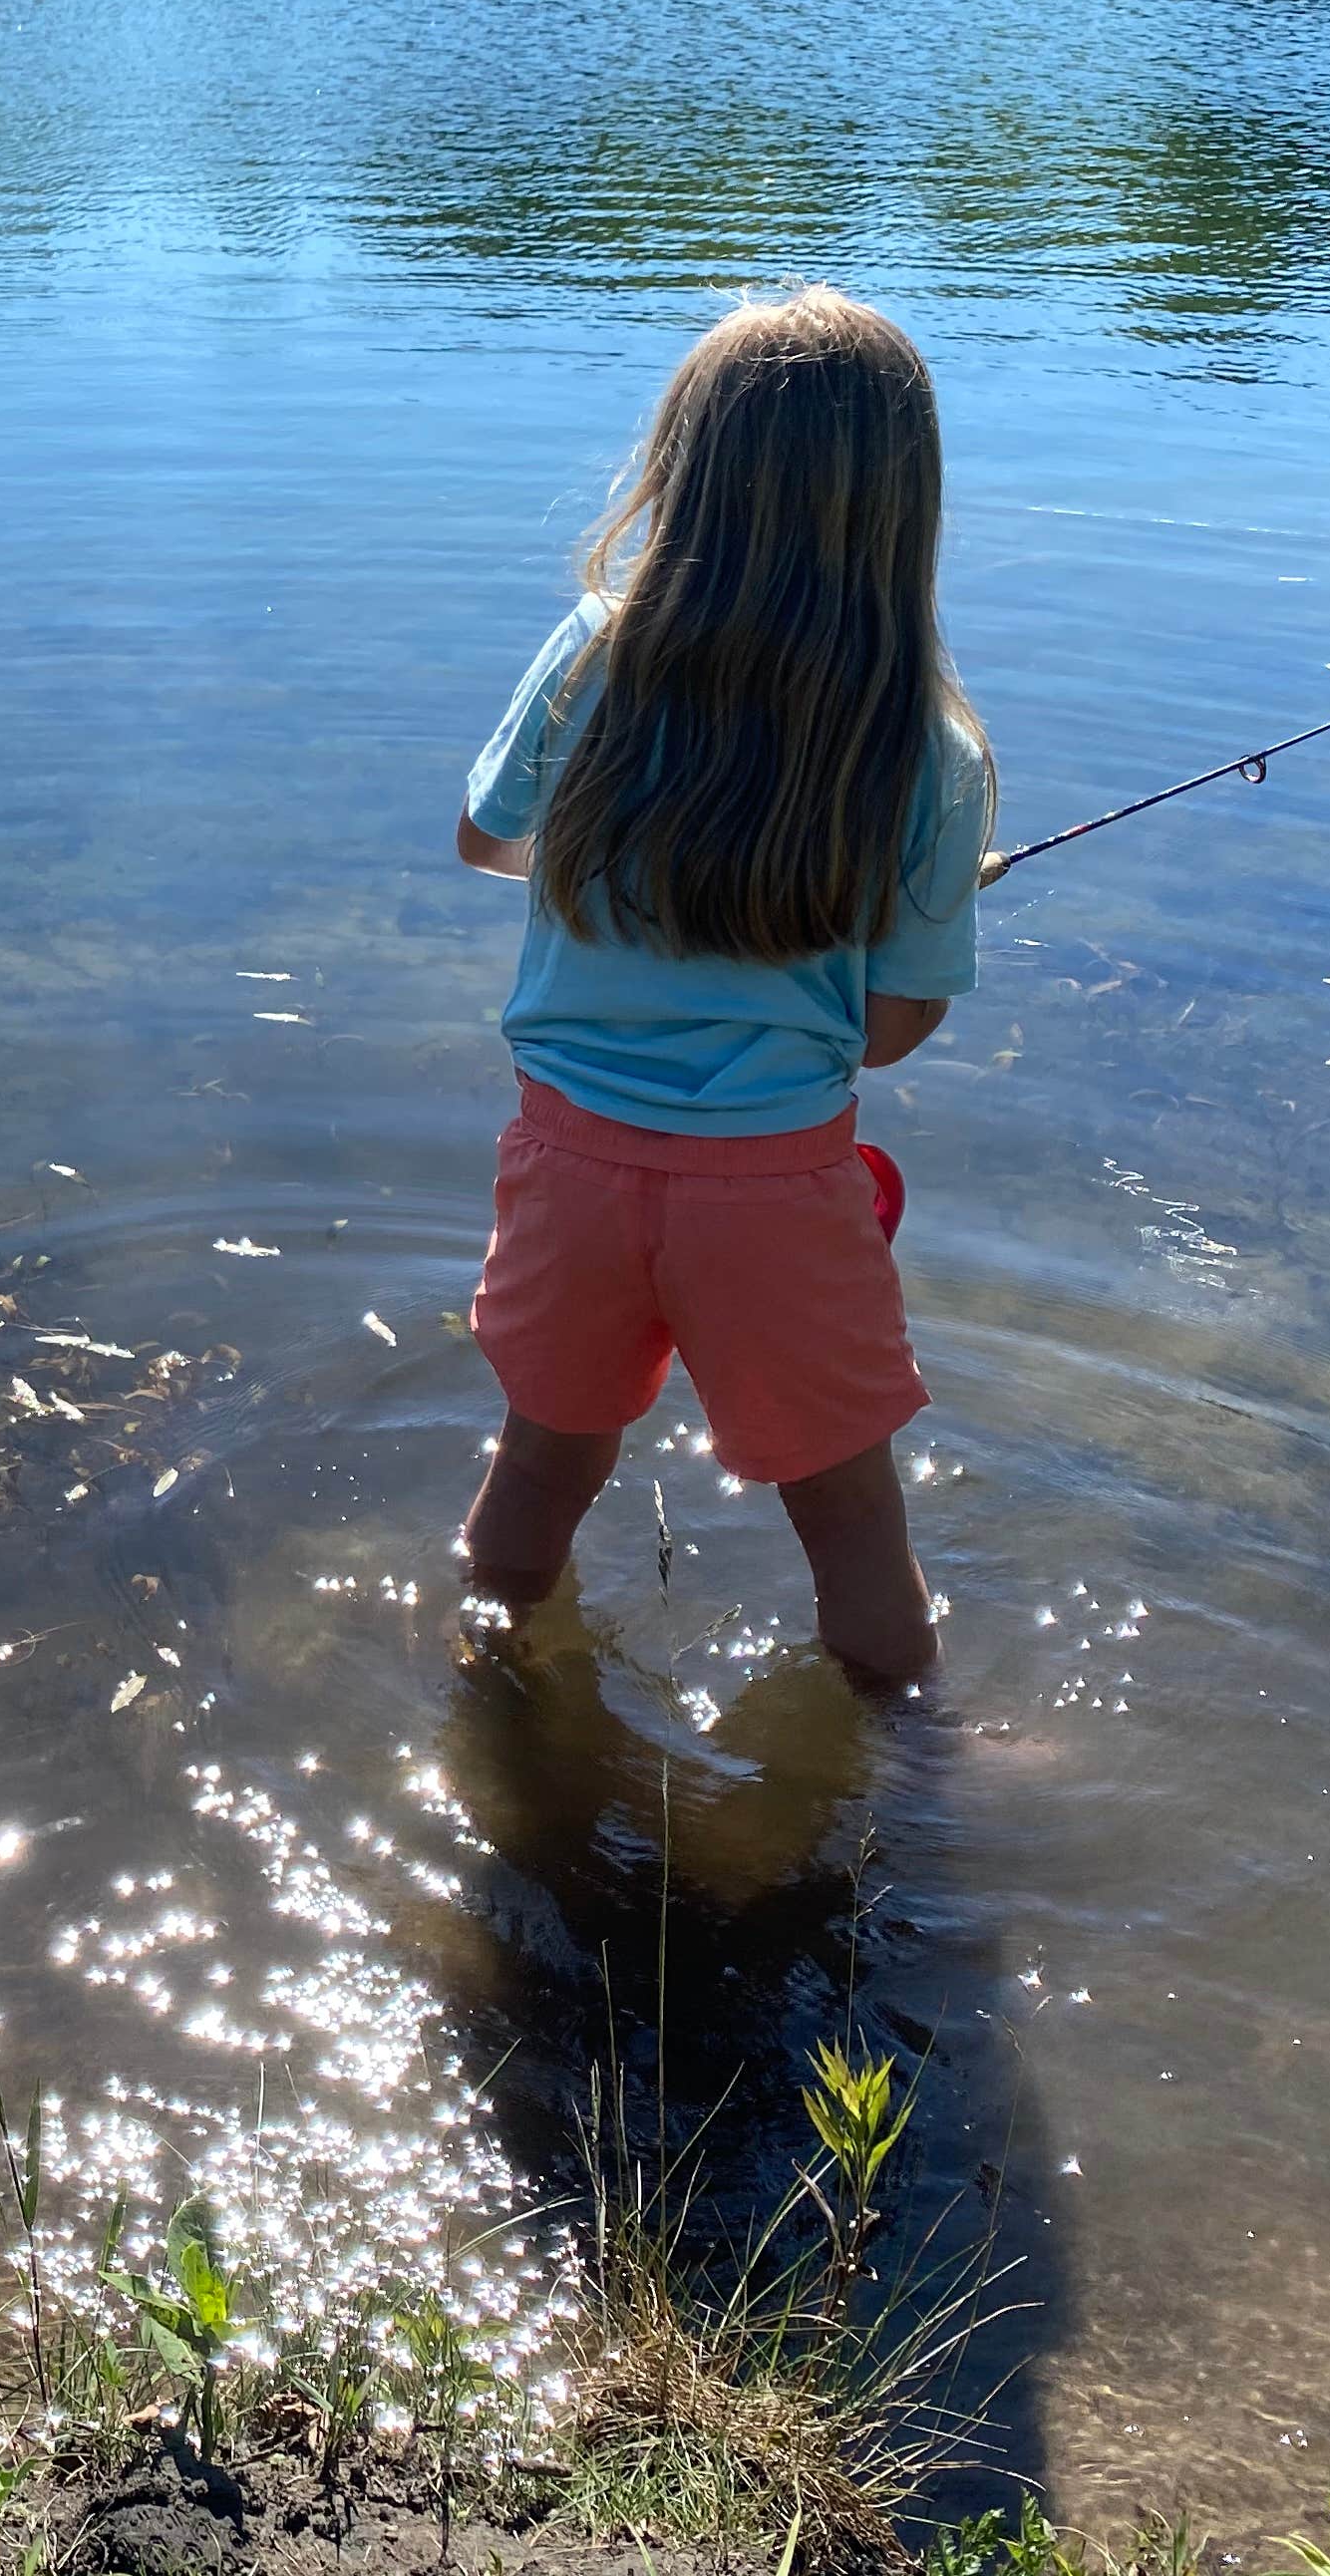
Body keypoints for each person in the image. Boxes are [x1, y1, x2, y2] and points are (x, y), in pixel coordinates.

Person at [451, 286, 988, 1689]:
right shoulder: (927, 751)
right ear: (901, 507)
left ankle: (491, 1709)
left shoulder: (592, 653)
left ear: (682, 474)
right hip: (772, 1193)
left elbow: (484, 839)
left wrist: (644, 863)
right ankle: (912, 1805)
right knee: (862, 1542)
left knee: (531, 1490)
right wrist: (891, 906)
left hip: (569, 1170)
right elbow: (884, 1037)